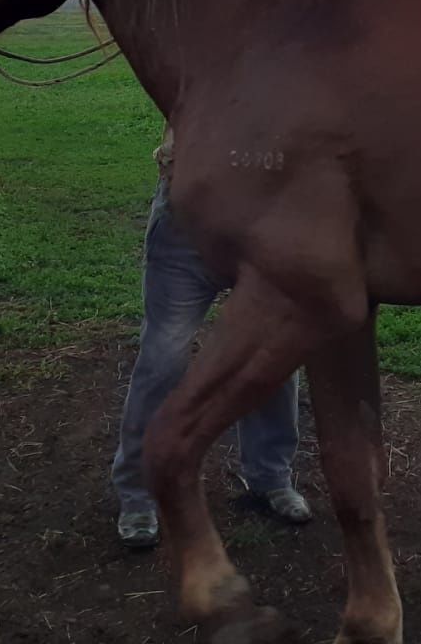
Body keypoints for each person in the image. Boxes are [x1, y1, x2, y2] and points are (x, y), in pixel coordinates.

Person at [111, 124, 312, 547]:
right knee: (163, 360)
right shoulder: (198, 56)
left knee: (270, 353)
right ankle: (139, 492)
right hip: (187, 223)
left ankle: (270, 477)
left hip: (265, 223)